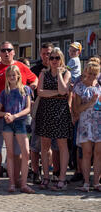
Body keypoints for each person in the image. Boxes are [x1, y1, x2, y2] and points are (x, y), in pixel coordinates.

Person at [0, 41, 38, 190]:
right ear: (0, 53)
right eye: (3, 50)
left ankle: (17, 179)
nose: (6, 53)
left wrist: (29, 89)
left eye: (9, 50)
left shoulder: (22, 67)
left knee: (18, 152)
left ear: (14, 52)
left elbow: (35, 80)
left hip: (19, 118)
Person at [35, 48, 72, 191]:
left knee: (62, 145)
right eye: (52, 58)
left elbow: (63, 90)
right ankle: (46, 177)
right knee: (45, 145)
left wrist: (59, 75)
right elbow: (40, 92)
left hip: (61, 111)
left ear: (61, 59)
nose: (54, 61)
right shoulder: (43, 73)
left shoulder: (66, 73)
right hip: (46, 111)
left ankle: (62, 178)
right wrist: (57, 93)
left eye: (57, 58)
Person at [0, 65, 34, 194]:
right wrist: (6, 114)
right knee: (10, 154)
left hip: (21, 123)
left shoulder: (25, 90)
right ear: (7, 77)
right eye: (9, 75)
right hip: (8, 124)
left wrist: (15, 116)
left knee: (25, 153)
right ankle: (11, 183)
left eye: (14, 75)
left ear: (18, 75)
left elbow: (28, 109)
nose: (12, 77)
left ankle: (23, 183)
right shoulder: (4, 92)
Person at [30, 42, 58, 185]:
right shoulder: (35, 70)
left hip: (56, 111)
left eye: (50, 54)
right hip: (39, 110)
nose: (47, 57)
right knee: (35, 144)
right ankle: (36, 172)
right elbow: (28, 89)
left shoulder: (60, 69)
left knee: (55, 145)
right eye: (44, 54)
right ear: (40, 54)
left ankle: (54, 172)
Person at [73, 62, 101, 192]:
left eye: (94, 74)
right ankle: (85, 182)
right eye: (90, 73)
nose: (92, 76)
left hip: (99, 123)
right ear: (85, 72)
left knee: (98, 153)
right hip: (85, 123)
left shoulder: (100, 87)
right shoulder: (79, 87)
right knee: (87, 153)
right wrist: (90, 102)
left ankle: (96, 182)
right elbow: (77, 109)